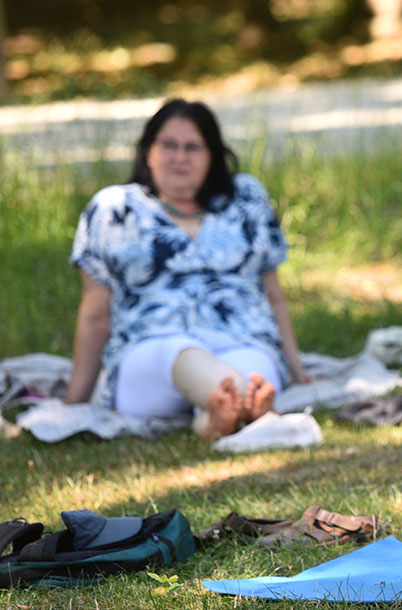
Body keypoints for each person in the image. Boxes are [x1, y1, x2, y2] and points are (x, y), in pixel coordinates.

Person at [65, 99, 308, 440]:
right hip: (151, 349)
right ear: (148, 150)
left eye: (193, 147)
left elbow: (274, 294)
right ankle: (243, 408)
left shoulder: (247, 199)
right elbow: (95, 312)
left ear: (213, 155)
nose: (180, 157)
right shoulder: (114, 209)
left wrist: (297, 370)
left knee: (256, 369)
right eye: (169, 145)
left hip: (242, 338)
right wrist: (74, 401)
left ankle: (215, 419)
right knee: (182, 353)